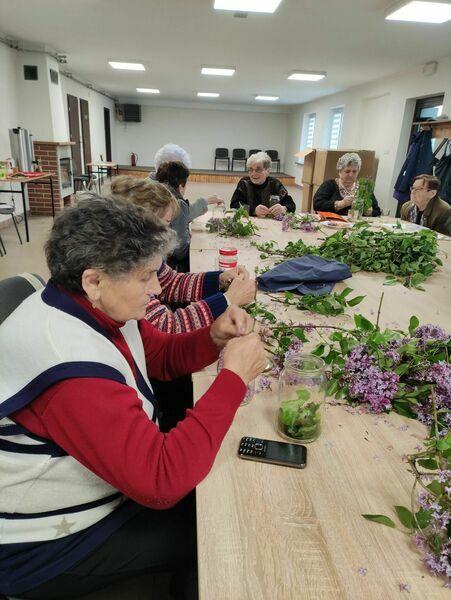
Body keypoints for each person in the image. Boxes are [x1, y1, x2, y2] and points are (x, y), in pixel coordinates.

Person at [0, 196, 267, 599]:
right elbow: (161, 480)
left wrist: (213, 337)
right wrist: (232, 379)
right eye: (145, 277)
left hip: (107, 489)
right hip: (44, 546)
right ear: (94, 280)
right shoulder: (68, 367)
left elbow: (157, 356)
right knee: (219, 528)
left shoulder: (91, 305)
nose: (158, 287)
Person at [107, 176, 257, 334]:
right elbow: (166, 327)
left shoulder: (142, 254)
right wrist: (229, 299)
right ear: (141, 224)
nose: (170, 231)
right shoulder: (123, 269)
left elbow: (170, 282)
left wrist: (219, 279)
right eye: (166, 223)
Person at [150, 142, 224, 213]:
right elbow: (178, 215)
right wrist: (205, 201)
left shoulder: (150, 184)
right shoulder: (158, 192)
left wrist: (206, 201)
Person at [313, 152, 381, 217]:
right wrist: (341, 204)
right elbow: (317, 205)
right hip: (332, 224)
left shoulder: (364, 188)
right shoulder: (329, 185)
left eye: (354, 171)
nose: (351, 175)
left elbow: (377, 211)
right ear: (339, 171)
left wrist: (370, 212)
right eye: (347, 171)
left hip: (356, 226)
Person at [230, 151, 296, 218]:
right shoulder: (244, 183)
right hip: (249, 221)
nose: (253, 174)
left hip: (271, 223)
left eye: (258, 170)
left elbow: (291, 205)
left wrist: (284, 209)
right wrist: (253, 210)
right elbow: (234, 204)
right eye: (250, 169)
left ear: (268, 171)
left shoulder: (276, 184)